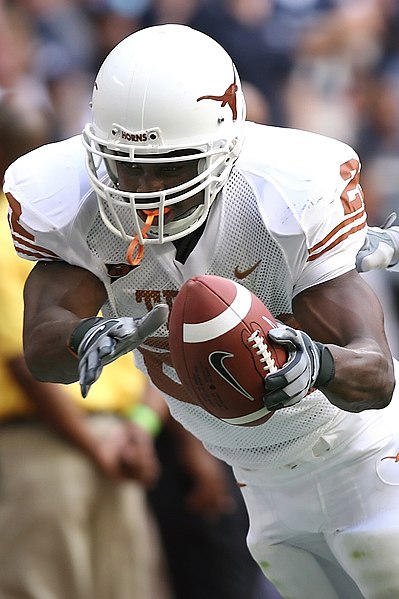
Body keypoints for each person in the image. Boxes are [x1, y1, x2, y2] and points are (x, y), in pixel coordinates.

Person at [4, 23, 399, 598]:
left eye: (172, 166)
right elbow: (42, 346)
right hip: (257, 481)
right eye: (127, 165)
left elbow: (378, 374)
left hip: (361, 459)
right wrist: (80, 336)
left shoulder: (284, 190)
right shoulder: (65, 196)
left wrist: (319, 365)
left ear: (227, 147)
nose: (146, 189)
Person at [0, 93, 171, 599]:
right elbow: (22, 360)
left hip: (95, 441)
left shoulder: (56, 222)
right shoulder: (90, 222)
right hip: (57, 444)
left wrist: (126, 434)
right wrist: (132, 432)